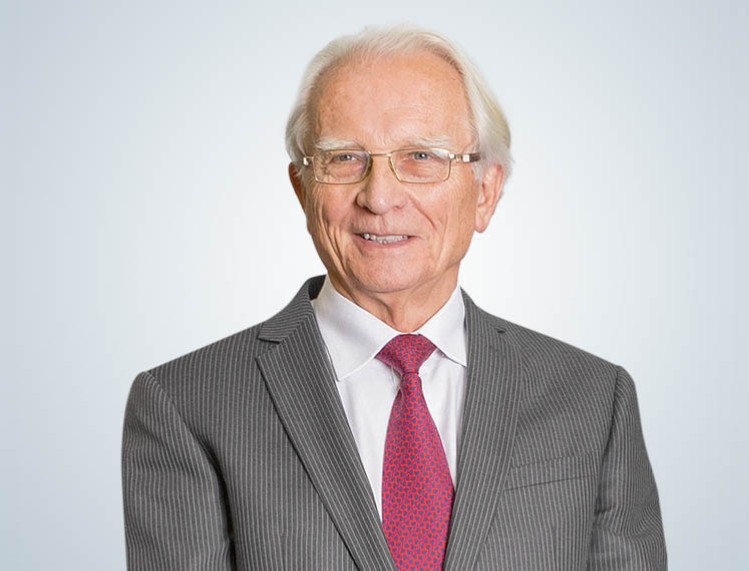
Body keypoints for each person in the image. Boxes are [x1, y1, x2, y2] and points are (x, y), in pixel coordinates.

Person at [122, 25, 666, 570]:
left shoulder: (594, 400)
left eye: (422, 156)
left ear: (485, 191)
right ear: (303, 190)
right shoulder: (186, 405)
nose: (380, 197)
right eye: (344, 158)